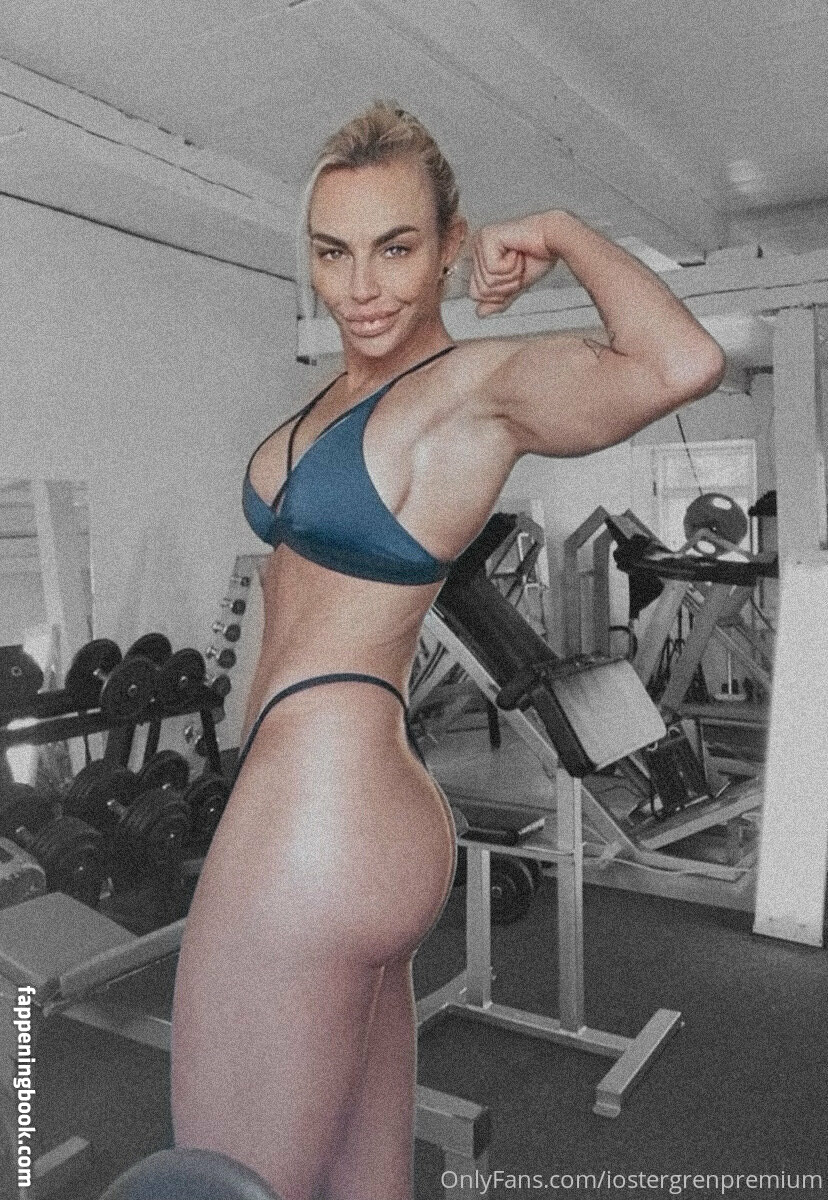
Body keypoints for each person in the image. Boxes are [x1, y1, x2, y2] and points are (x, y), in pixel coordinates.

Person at [170, 102, 725, 1200]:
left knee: (220, 1179)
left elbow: (683, 359)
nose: (361, 286)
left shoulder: (473, 393)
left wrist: (561, 230)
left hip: (315, 823)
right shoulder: (342, 394)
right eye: (333, 252)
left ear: (451, 246)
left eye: (395, 248)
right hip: (363, 807)